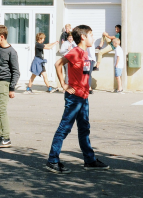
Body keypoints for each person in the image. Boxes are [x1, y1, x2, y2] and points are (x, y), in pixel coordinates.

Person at [44, 25, 110, 174]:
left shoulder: (85, 53)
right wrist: (64, 84)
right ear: (83, 37)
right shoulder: (75, 52)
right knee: (64, 128)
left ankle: (90, 160)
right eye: (91, 35)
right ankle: (52, 160)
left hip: (83, 97)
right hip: (74, 98)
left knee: (84, 129)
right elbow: (58, 64)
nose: (93, 38)